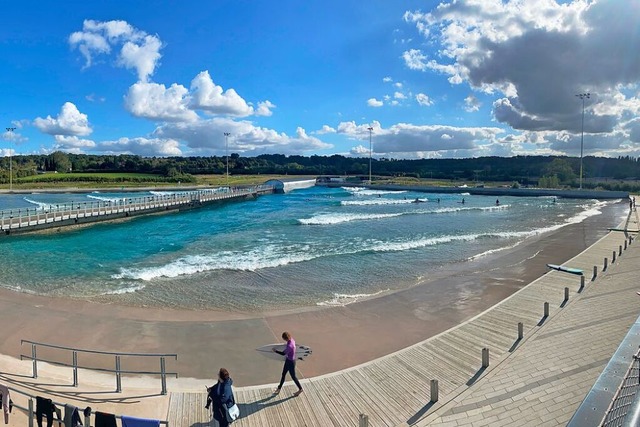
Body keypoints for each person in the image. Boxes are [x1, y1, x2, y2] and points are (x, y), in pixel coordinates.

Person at [273, 331, 304, 397]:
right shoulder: (292, 340)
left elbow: (283, 353)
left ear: (285, 338)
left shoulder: (290, 346)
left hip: (291, 362)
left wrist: (275, 351)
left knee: (293, 377)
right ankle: (279, 388)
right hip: (288, 360)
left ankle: (300, 389)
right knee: (283, 374)